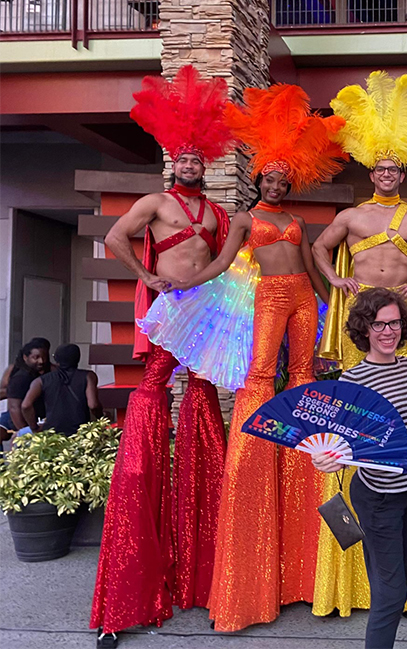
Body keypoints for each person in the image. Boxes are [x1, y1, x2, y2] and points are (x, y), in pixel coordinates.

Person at [150, 83, 342, 631]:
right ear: (259, 180)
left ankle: (304, 468)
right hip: (266, 297)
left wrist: (340, 311)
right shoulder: (242, 218)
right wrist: (182, 288)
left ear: (290, 182)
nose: (277, 182)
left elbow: (312, 269)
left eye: (284, 178)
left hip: (303, 297)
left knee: (303, 379)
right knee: (260, 378)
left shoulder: (299, 221)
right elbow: (221, 265)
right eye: (271, 177)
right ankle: (255, 459)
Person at [91, 65, 234, 646]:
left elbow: (230, 269)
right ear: (172, 163)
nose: (192, 164)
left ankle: (205, 578)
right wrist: (146, 275)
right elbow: (114, 238)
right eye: (184, 158)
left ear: (208, 165)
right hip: (168, 316)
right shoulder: (154, 200)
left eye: (199, 158)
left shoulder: (222, 214)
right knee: (150, 401)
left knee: (202, 407)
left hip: (205, 323)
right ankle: (132, 580)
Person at [311, 71, 407, 618]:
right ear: (371, 170)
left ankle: (403, 578)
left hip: (401, 325)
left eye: (395, 168)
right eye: (381, 167)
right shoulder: (349, 215)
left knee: (404, 420)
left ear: (402, 171)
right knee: (353, 425)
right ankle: (351, 541)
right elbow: (320, 250)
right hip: (357, 332)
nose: (387, 173)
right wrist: (335, 283)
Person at [311, 288, 407, 648]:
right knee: (391, 595)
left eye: (394, 322)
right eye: (379, 324)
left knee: (400, 582)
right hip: (378, 498)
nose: (388, 331)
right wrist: (324, 458)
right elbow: (338, 441)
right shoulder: (354, 381)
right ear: (364, 329)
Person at [20, 344, 102, 435]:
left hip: (52, 432)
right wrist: (101, 419)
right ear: (78, 358)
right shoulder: (88, 376)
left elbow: (25, 405)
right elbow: (93, 405)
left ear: (56, 359)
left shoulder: (40, 381)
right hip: (79, 431)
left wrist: (34, 428)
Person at [5, 338, 51, 433]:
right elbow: (14, 408)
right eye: (36, 357)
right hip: (26, 427)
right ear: (25, 357)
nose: (41, 361)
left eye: (44, 357)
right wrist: (26, 431)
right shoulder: (21, 377)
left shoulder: (41, 374)